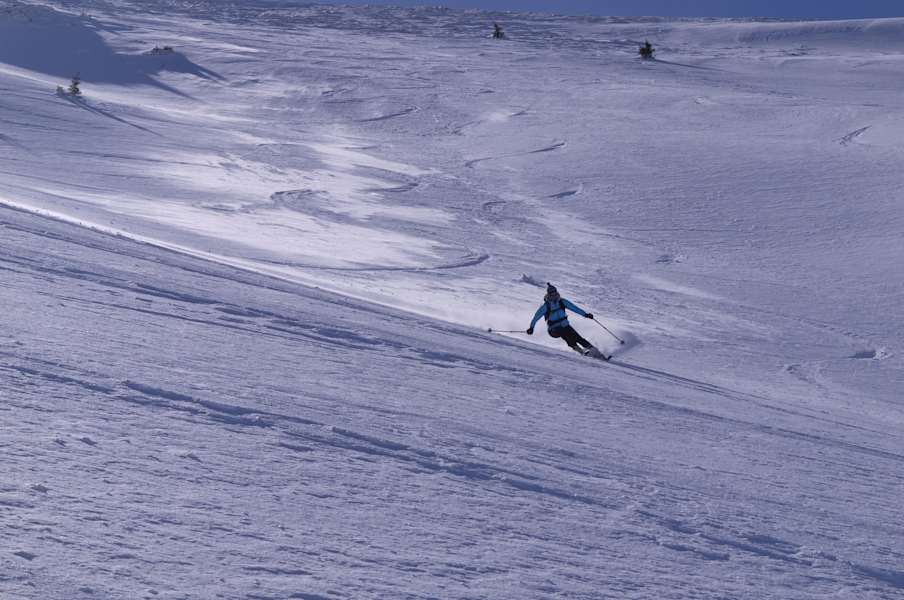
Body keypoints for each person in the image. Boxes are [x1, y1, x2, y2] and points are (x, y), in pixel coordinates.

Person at [527, 283, 599, 356]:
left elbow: (574, 308)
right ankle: (580, 351)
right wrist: (531, 328)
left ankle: (594, 351)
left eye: (555, 293)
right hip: (553, 329)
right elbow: (536, 317)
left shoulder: (562, 302)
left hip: (565, 325)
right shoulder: (546, 306)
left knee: (577, 337)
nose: (554, 295)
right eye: (552, 294)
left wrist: (585, 314)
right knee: (566, 335)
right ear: (549, 294)